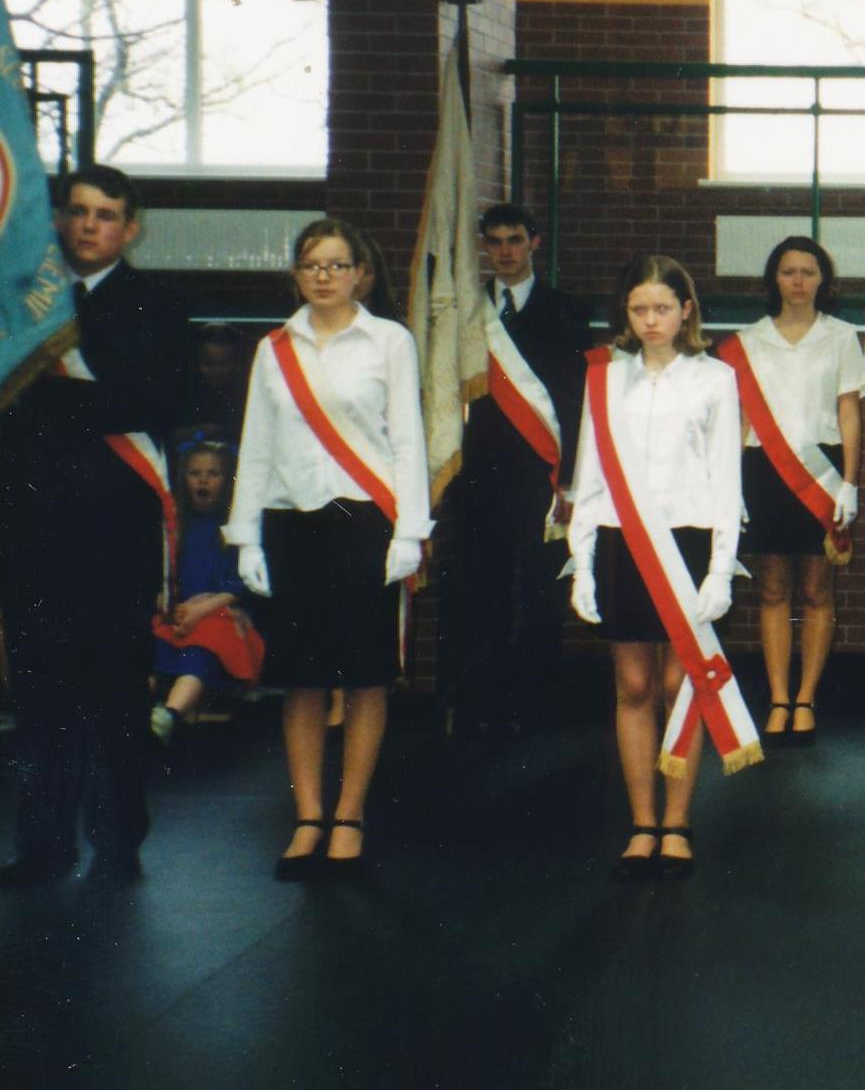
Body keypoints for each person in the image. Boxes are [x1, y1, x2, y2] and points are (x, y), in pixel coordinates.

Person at [0, 165, 188, 887]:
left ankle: (118, 839)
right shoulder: (22, 304)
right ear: (56, 219)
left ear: (130, 228)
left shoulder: (157, 305)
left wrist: (56, 399)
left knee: (115, 690)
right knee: (41, 694)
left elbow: (149, 401)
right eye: (77, 211)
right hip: (33, 525)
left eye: (105, 215)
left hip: (116, 528)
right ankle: (43, 844)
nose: (88, 226)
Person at [227, 216, 430, 880]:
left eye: (337, 265)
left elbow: (408, 440)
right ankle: (308, 816)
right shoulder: (274, 348)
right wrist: (246, 536)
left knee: (366, 675)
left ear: (360, 274)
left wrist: (411, 531)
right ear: (296, 274)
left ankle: (349, 815)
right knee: (302, 679)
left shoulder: (389, 341)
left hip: (363, 522)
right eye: (312, 265)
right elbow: (256, 444)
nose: (324, 277)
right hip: (291, 524)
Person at [568, 255, 747, 878]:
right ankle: (642, 823)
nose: (650, 320)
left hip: (687, 543)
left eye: (663, 308)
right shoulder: (604, 378)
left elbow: (726, 479)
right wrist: (582, 562)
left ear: (685, 310)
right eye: (639, 309)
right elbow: (589, 475)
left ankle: (677, 822)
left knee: (682, 685)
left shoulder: (715, 379)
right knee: (635, 688)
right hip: (621, 542)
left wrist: (721, 568)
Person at [450, 203, 592, 739]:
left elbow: (575, 402)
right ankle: (483, 706)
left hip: (543, 476)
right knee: (481, 593)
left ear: (535, 242)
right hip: (480, 477)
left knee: (541, 595)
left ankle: (535, 708)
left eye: (514, 239)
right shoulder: (468, 313)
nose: (505, 251)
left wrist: (572, 479)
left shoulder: (567, 311)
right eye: (495, 241)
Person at [723, 236, 861, 747]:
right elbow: (740, 418)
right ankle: (779, 697)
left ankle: (807, 697)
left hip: (822, 472)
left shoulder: (842, 337)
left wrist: (851, 482)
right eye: (788, 272)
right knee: (773, 589)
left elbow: (849, 412)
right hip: (763, 470)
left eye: (808, 271)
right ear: (773, 279)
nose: (798, 281)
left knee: (818, 590)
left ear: (823, 279)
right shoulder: (748, 341)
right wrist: (731, 483)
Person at [150, 439, 259, 745]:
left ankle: (168, 716)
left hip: (219, 614)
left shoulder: (232, 529)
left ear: (227, 480)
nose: (203, 480)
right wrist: (167, 602)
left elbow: (238, 586)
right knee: (152, 640)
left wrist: (201, 609)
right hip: (179, 612)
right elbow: (166, 578)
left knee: (200, 648)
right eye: (195, 473)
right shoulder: (177, 527)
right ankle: (139, 713)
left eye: (213, 474)